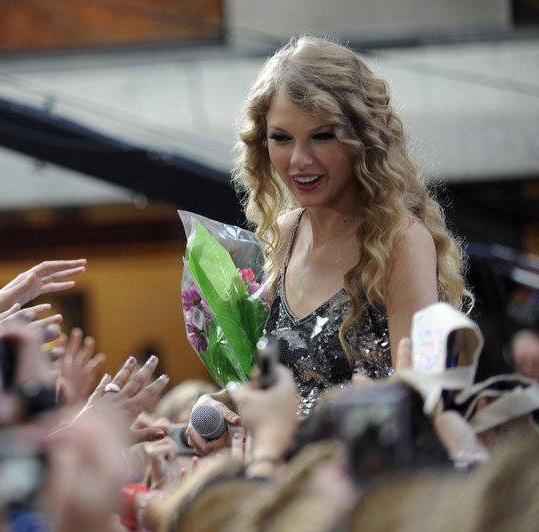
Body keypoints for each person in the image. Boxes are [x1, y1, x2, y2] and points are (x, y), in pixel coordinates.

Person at [188, 34, 473, 452]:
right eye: (281, 138)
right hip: (283, 497)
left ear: (363, 139)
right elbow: (281, 380)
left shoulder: (400, 243)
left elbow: (422, 402)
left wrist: (291, 431)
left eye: (322, 136)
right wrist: (221, 407)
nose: (299, 160)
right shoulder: (284, 235)